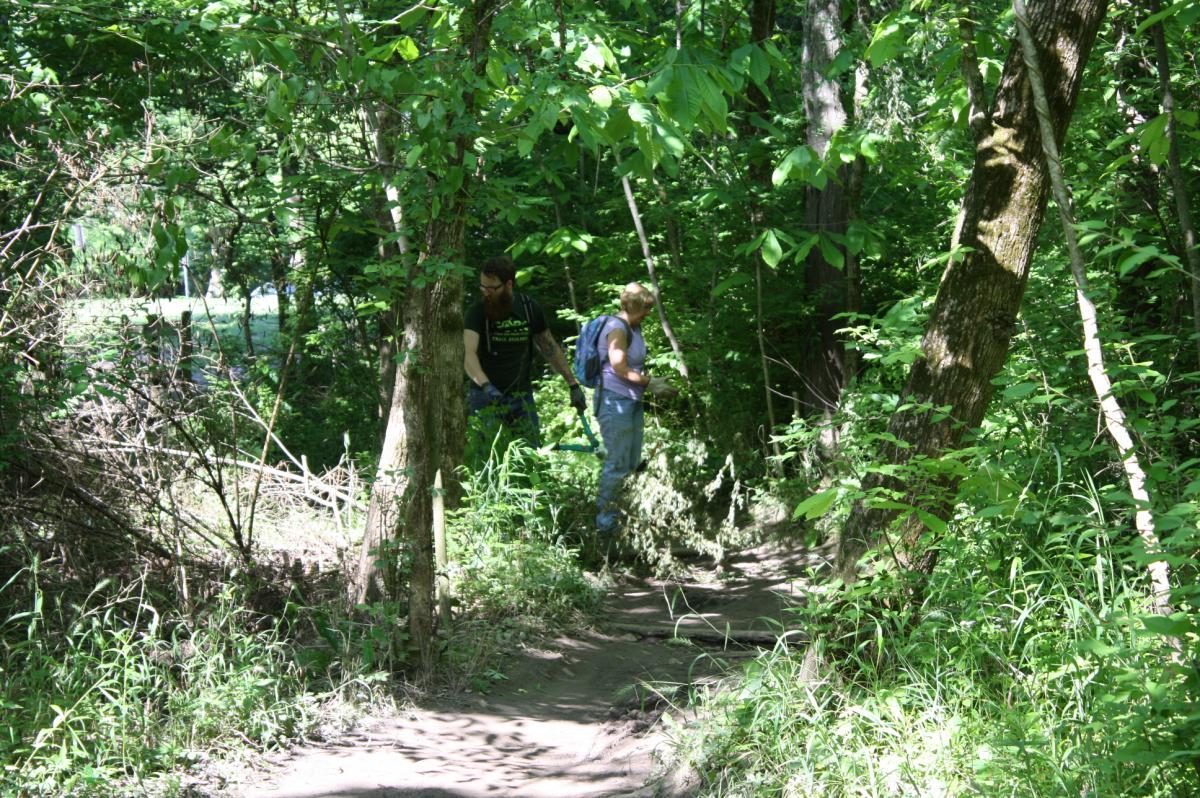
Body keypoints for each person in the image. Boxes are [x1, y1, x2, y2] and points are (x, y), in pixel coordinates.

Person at [463, 255, 586, 446]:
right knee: (485, 456)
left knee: (529, 454)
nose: (485, 292)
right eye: (482, 286)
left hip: (521, 397)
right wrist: (486, 386)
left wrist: (573, 385)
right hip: (484, 398)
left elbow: (549, 347)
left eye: (491, 288)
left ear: (509, 284)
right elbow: (468, 353)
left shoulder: (528, 308)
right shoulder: (477, 312)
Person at [594, 282, 656, 537]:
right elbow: (619, 367)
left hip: (631, 401)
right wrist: (651, 383)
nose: (648, 314)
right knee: (617, 464)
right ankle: (607, 527)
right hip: (613, 401)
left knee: (631, 463)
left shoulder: (634, 327)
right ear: (633, 306)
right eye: (645, 308)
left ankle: (625, 521)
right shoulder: (616, 328)